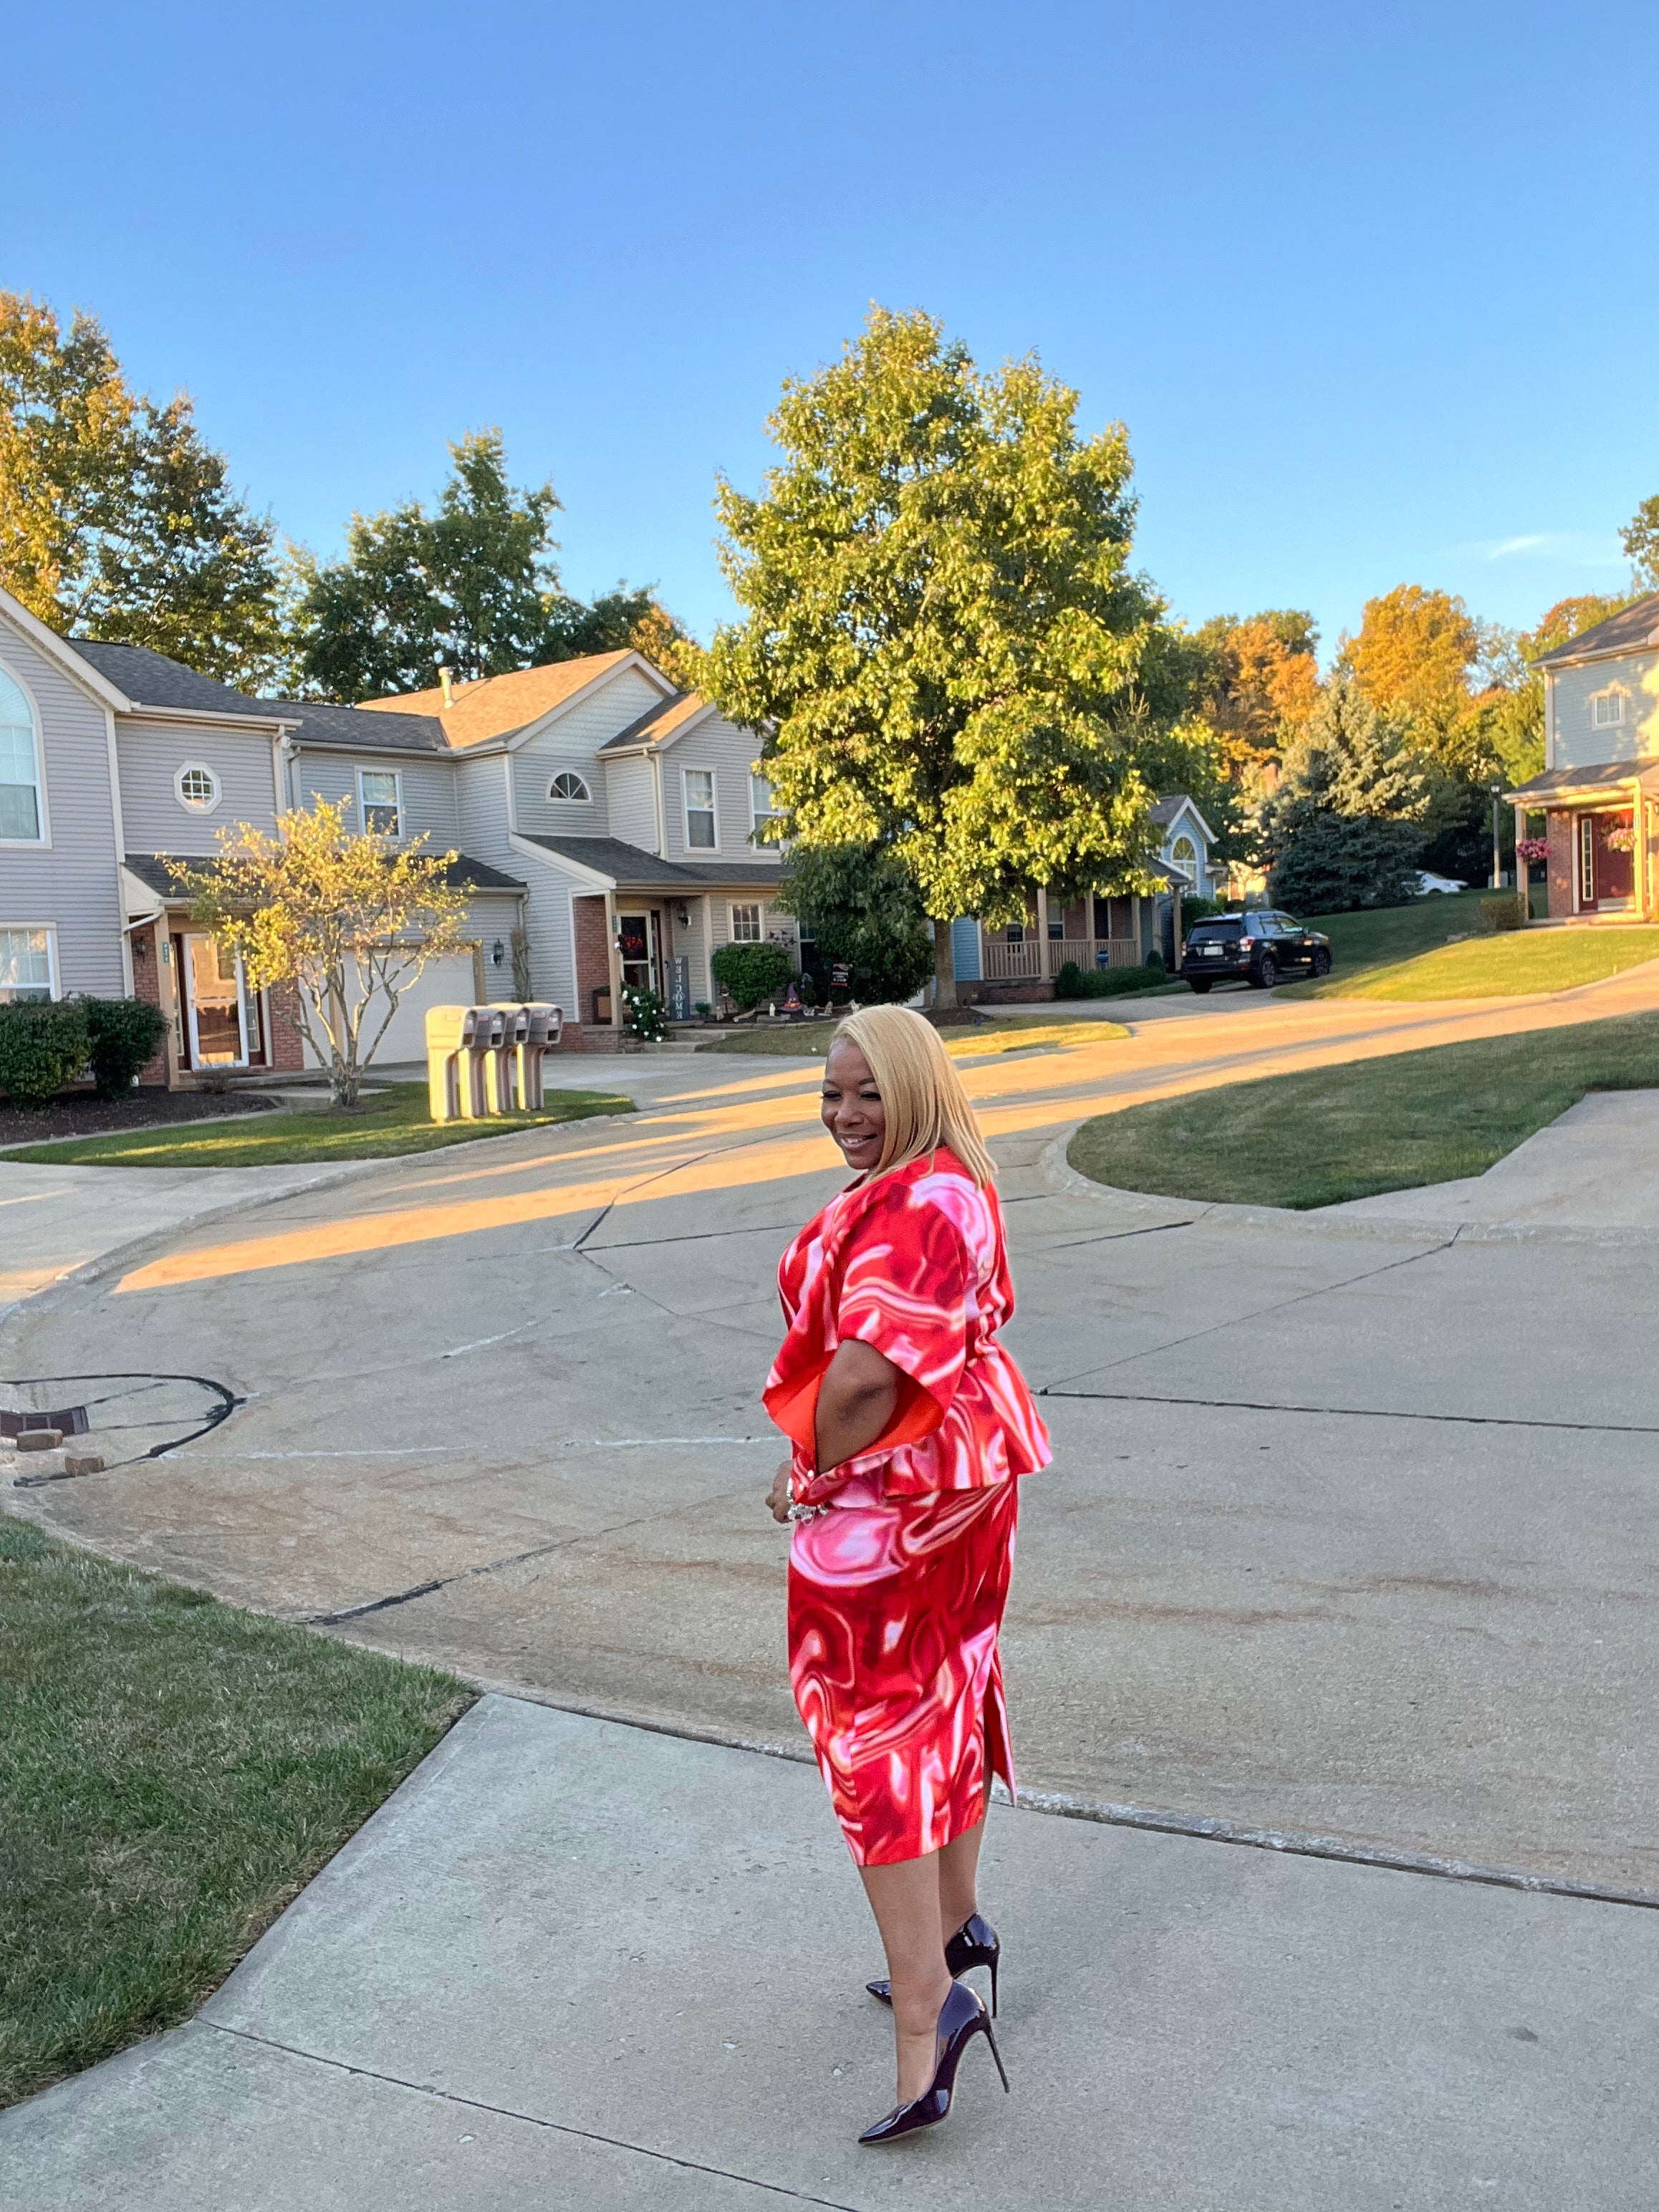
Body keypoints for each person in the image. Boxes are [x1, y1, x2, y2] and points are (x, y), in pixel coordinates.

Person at [764, 1004, 1051, 2144]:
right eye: (832, 1094)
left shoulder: (919, 1201)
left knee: (872, 1741)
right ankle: (957, 1926)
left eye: (868, 1093)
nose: (844, 1114)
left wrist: (806, 1473)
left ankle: (931, 2012)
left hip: (896, 1501)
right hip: (963, 1478)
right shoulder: (947, 1184)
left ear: (918, 1089)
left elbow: (869, 1379)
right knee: (944, 1695)